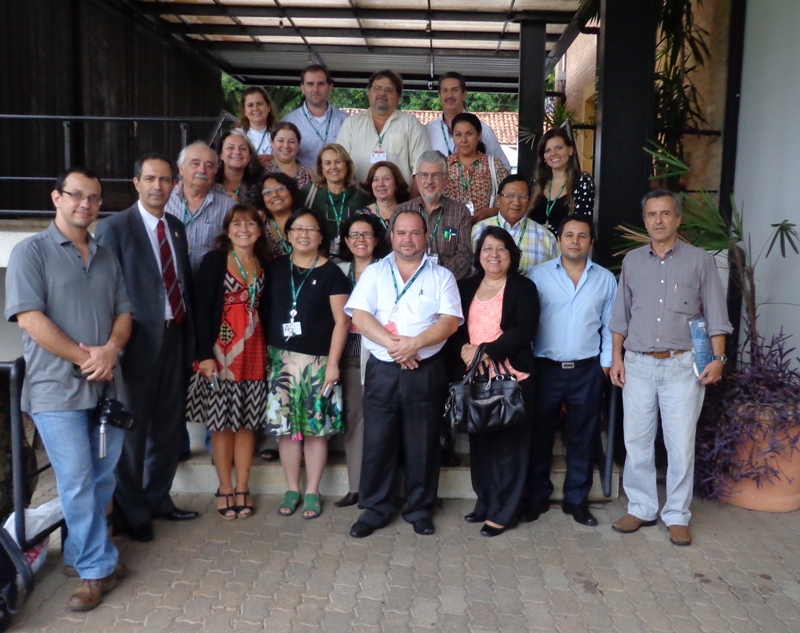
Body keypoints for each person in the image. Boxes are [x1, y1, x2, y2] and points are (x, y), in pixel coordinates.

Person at [5, 168, 132, 611]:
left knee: (100, 478)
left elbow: (123, 314)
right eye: (77, 195)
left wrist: (112, 349)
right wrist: (88, 359)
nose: (86, 204)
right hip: (55, 391)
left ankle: (80, 555)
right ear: (56, 197)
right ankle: (97, 571)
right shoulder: (30, 252)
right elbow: (30, 320)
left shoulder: (104, 254)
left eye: (94, 198)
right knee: (76, 480)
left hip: (106, 391)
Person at [609, 190, 732, 546]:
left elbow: (716, 316)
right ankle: (642, 507)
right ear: (645, 221)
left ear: (678, 219)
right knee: (637, 441)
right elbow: (621, 316)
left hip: (682, 366)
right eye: (651, 214)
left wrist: (718, 359)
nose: (658, 220)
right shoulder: (632, 261)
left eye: (665, 213)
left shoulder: (699, 261)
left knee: (680, 445)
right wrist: (616, 358)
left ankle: (677, 514)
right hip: (638, 365)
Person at [95, 154, 199, 543]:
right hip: (134, 344)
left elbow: (182, 284)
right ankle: (131, 511)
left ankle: (158, 499)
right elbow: (104, 293)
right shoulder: (114, 229)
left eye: (165, 180)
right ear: (136, 182)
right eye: (150, 179)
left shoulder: (175, 227)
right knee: (133, 432)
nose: (158, 186)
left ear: (175, 185)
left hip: (174, 337)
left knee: (169, 427)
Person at [344, 209, 463, 538]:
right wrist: (397, 347)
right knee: (378, 440)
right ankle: (375, 508)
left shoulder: (441, 276)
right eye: (401, 233)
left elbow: (449, 322)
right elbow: (361, 316)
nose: (407, 239)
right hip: (383, 368)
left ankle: (420, 507)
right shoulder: (375, 273)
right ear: (391, 236)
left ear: (425, 237)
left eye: (414, 233)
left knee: (422, 441)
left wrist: (416, 344)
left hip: (426, 369)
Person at [527, 217, 617, 527]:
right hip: (544, 368)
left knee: (584, 436)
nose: (575, 241)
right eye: (569, 235)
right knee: (539, 436)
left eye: (582, 236)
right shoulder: (538, 276)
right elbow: (527, 323)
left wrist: (605, 366)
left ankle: (577, 501)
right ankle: (537, 496)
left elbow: (609, 325)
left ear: (591, 242)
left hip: (587, 370)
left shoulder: (605, 280)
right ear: (560, 241)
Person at [451, 227, 539, 537]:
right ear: (479, 254)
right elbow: (456, 324)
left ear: (511, 255)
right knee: (481, 444)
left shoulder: (523, 287)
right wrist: (466, 350)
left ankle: (506, 511)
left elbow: (523, 330)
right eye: (488, 248)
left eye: (501, 249)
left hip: (512, 379)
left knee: (510, 448)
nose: (494, 255)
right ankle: (486, 502)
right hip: (476, 377)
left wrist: (486, 351)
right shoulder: (466, 287)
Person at [265, 208, 351, 520]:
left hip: (318, 364)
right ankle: (292, 488)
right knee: (286, 431)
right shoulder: (275, 268)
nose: (304, 235)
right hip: (281, 363)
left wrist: (333, 365)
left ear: (320, 237)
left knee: (316, 430)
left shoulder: (332, 273)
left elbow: (342, 322)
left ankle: (312, 490)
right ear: (287, 235)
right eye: (297, 229)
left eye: (311, 230)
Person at [191, 204, 270, 520]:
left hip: (254, 349)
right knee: (221, 423)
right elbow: (200, 308)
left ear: (259, 230)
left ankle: (243, 486)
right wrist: (204, 355)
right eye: (237, 223)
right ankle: (224, 487)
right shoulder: (215, 261)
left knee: (247, 422)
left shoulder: (264, 264)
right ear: (227, 230)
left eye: (251, 223)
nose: (244, 228)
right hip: (221, 352)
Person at [334, 213, 390, 508]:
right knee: (354, 420)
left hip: (379, 351)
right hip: (347, 352)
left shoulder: (388, 269)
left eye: (366, 234)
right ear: (345, 240)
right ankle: (356, 486)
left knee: (382, 421)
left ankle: (381, 487)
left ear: (377, 239)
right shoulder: (337, 269)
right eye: (354, 235)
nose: (360, 240)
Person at [336, 69, 431, 186]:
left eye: (389, 90)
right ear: (368, 91)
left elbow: (422, 168)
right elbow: (339, 164)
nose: (382, 93)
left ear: (398, 96)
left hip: (400, 201)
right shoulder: (351, 123)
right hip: (358, 200)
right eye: (377, 88)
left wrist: (412, 203)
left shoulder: (411, 124)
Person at [393, 150, 472, 281]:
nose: (429, 181)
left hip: (447, 284)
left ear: (446, 178)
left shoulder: (460, 212)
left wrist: (434, 278)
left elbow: (465, 257)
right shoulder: (401, 211)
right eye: (423, 175)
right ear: (417, 179)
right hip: (408, 283)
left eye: (435, 175)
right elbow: (393, 251)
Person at [165, 141, 236, 277]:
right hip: (172, 282)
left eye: (209, 165)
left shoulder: (229, 207)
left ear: (215, 171)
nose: (202, 170)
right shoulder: (164, 202)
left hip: (210, 282)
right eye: (195, 164)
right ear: (181, 168)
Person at [473, 175, 559, 277]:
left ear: (529, 202)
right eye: (510, 195)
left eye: (522, 197)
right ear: (498, 199)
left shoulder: (546, 237)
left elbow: (557, 274)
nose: (516, 202)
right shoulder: (478, 230)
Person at [425, 71, 511, 172]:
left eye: (455, 90)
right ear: (439, 96)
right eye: (445, 91)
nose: (449, 95)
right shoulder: (428, 130)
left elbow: (504, 169)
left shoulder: (482, 130)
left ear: (464, 94)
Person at [303, 143, 371, 256]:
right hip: (316, 261)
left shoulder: (362, 198)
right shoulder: (308, 195)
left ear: (347, 166)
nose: (333, 167)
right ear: (321, 168)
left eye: (338, 162)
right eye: (327, 163)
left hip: (353, 260)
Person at [442, 112, 509, 223]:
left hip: (485, 230)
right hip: (451, 229)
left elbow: (508, 201)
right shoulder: (444, 165)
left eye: (469, 134)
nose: (463, 140)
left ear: (478, 136)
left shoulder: (493, 164)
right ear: (452, 138)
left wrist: (490, 212)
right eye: (458, 135)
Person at [282, 64, 349, 169]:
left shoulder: (346, 121)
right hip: (302, 184)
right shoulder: (288, 122)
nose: (315, 89)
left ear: (330, 87)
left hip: (337, 183)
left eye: (321, 84)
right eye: (310, 84)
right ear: (303, 88)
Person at [529, 128, 594, 234]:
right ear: (544, 157)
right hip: (536, 247)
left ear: (570, 150)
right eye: (547, 150)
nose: (553, 154)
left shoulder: (582, 182)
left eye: (559, 148)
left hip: (566, 248)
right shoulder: (536, 183)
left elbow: (583, 223)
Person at [259, 172, 301, 259]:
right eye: (267, 192)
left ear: (291, 191)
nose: (275, 195)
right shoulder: (259, 226)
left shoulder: (308, 221)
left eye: (280, 189)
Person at [214, 131, 264, 205]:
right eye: (230, 147)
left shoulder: (260, 184)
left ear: (250, 156)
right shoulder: (210, 182)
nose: (237, 152)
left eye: (243, 149)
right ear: (221, 155)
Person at [260, 122, 314, 190]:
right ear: (272, 143)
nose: (286, 146)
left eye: (291, 142)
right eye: (280, 140)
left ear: (298, 144)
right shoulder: (263, 172)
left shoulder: (307, 174)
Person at [360, 161, 411, 231]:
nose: (380, 184)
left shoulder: (409, 212)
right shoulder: (362, 216)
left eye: (386, 179)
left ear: (396, 184)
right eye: (376, 179)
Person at [235, 86, 279, 159]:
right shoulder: (237, 135)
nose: (255, 109)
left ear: (268, 107)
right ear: (244, 111)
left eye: (260, 104)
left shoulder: (280, 133)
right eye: (250, 105)